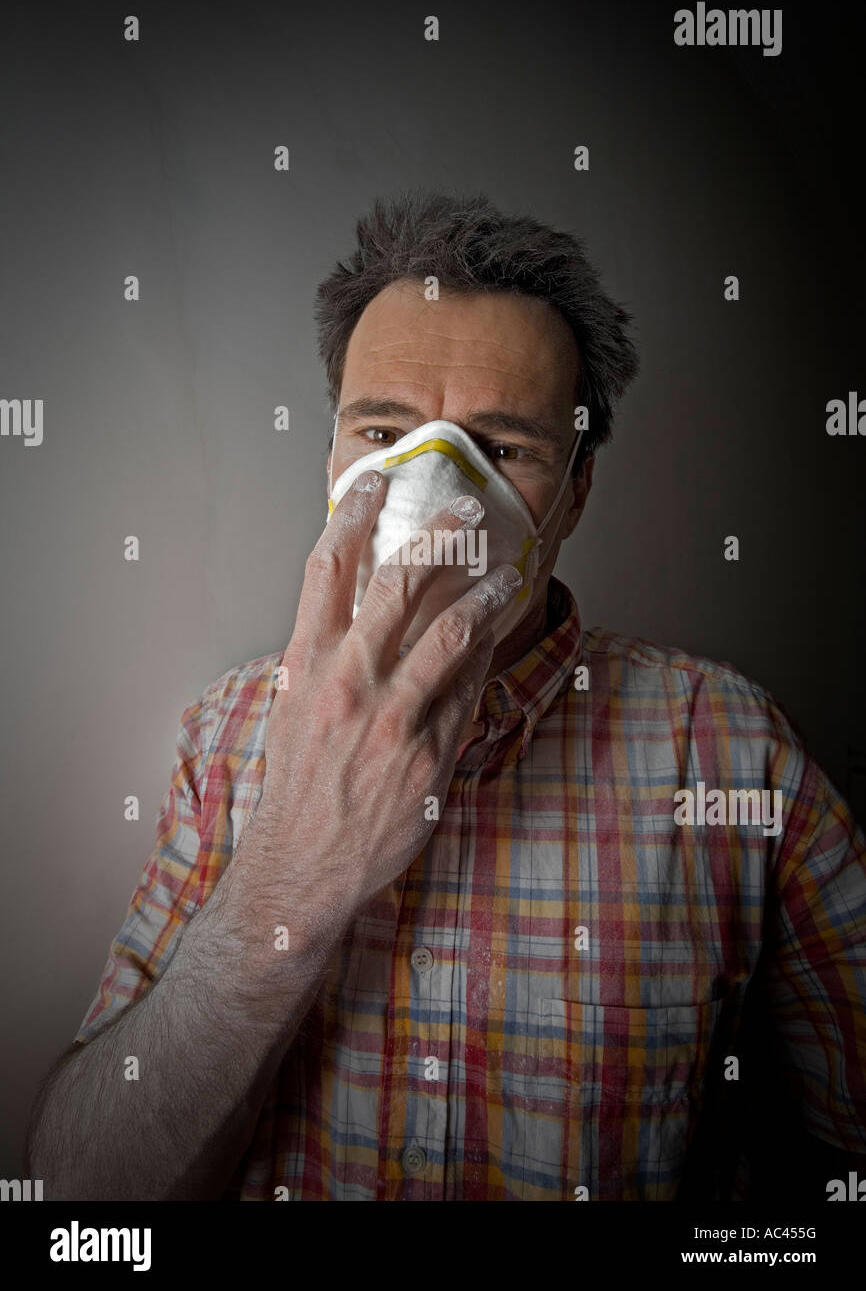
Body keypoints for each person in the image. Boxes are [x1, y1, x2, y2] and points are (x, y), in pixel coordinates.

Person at [25, 190, 866, 1201]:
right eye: (382, 432)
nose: (428, 490)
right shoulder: (224, 737)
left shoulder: (732, 757)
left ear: (573, 494)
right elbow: (80, 1194)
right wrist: (291, 872)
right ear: (329, 458)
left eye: (501, 450)